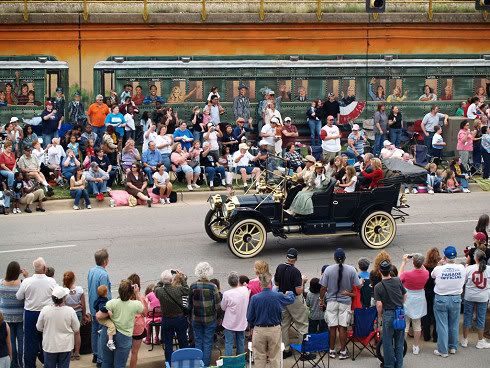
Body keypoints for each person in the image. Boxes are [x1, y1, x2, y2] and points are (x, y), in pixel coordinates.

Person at [247, 272, 295, 368]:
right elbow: (291, 299)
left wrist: (252, 327)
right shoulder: (278, 296)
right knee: (275, 357)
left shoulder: (255, 298)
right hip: (274, 329)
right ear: (271, 284)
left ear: (260, 284)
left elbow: (249, 317)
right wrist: (289, 292)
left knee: (259, 357)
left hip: (259, 330)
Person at [16, 257, 57, 368]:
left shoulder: (27, 281)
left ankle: (30, 365)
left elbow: (19, 296)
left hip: (31, 314)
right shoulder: (51, 281)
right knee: (47, 340)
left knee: (30, 342)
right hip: (47, 313)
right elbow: (58, 295)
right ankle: (48, 363)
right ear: (44, 268)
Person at [320, 248, 360, 360]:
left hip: (332, 302)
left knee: (332, 328)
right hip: (345, 302)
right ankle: (343, 351)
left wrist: (321, 299)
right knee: (343, 328)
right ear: (345, 258)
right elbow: (358, 285)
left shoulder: (328, 270)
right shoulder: (351, 270)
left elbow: (323, 287)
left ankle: (331, 350)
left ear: (334, 258)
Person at [97, 280, 144, 368]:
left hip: (108, 333)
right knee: (119, 365)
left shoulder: (112, 302)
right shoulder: (135, 305)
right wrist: (137, 293)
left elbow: (99, 315)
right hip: (124, 336)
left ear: (119, 291)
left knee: (106, 363)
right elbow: (144, 310)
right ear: (131, 292)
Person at [273, 248, 311, 359]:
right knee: (302, 324)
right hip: (294, 299)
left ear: (287, 257)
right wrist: (303, 281)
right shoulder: (296, 272)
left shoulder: (279, 267)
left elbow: (276, 283)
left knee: (284, 325)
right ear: (295, 259)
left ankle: (286, 350)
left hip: (282, 298)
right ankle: (304, 351)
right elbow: (298, 291)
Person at [432, 246, 465, 358]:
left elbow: (432, 275)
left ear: (444, 257)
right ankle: (452, 347)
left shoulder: (438, 269)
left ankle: (443, 350)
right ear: (455, 256)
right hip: (456, 298)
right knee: (454, 324)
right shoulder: (461, 267)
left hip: (441, 298)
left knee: (442, 325)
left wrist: (439, 265)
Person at [35, 286, 79, 368]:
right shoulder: (70, 311)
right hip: (65, 345)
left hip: (50, 345)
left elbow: (39, 327)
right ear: (64, 298)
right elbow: (76, 328)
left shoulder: (45, 310)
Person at [374, 260, 406, 368]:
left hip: (388, 314)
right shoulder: (397, 280)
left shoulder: (378, 286)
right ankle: (399, 365)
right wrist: (400, 305)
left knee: (387, 342)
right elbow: (404, 295)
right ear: (390, 270)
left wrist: (379, 316)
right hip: (400, 313)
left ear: (380, 271)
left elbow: (379, 305)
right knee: (399, 341)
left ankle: (389, 365)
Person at [188, 262, 221, 367]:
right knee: (207, 343)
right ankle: (205, 365)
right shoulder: (213, 287)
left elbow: (189, 304)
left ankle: (198, 365)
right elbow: (217, 305)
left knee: (198, 341)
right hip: (210, 319)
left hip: (196, 318)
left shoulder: (193, 286)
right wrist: (218, 317)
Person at [154, 270, 190, 363]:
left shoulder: (159, 291)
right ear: (171, 280)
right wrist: (182, 278)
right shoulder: (178, 289)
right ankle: (184, 361)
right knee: (183, 341)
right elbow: (187, 289)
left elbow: (156, 286)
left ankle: (169, 362)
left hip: (166, 319)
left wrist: (163, 278)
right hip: (179, 318)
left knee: (168, 343)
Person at [398, 253, 429, 355]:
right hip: (419, 298)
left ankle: (402, 346)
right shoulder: (426, 273)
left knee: (405, 324)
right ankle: (416, 346)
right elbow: (423, 269)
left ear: (413, 263)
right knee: (417, 324)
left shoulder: (407, 274)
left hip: (408, 298)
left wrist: (404, 262)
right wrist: (419, 260)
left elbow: (399, 277)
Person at [87, 249, 112, 367]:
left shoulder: (91, 271)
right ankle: (100, 360)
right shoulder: (103, 274)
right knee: (102, 332)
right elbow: (104, 292)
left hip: (93, 305)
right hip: (101, 308)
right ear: (105, 261)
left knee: (94, 330)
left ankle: (95, 354)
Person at [461, 249, 490, 349]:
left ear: (475, 258)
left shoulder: (469, 268)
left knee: (467, 317)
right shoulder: (489, 269)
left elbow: (463, 282)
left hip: (469, 296)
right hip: (483, 297)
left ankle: (464, 340)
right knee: (481, 319)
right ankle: (480, 341)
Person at [0, 262, 27, 368]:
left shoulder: (1, 284)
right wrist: (25, 276)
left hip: (6, 317)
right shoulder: (22, 283)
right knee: (21, 341)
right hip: (20, 317)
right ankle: (21, 363)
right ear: (18, 272)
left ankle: (13, 363)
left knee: (10, 342)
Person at [220, 272, 250, 356]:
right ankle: (240, 361)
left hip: (229, 322)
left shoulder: (227, 294)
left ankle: (228, 362)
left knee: (229, 343)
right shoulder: (245, 290)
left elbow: (223, 307)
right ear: (238, 281)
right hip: (241, 321)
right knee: (240, 341)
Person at [62, 271, 87, 361]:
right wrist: (84, 315)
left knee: (69, 333)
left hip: (67, 313)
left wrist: (72, 306)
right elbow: (83, 305)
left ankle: (71, 352)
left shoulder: (63, 291)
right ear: (74, 279)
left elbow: (63, 305)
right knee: (77, 333)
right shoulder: (80, 290)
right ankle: (77, 353)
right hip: (78, 313)